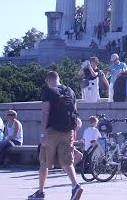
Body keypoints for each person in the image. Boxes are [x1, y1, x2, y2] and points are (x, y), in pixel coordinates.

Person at [28, 70, 84, 200]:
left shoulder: (49, 91)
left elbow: (45, 112)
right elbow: (75, 111)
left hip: (52, 131)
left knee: (44, 162)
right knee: (67, 162)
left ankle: (40, 192)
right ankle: (75, 186)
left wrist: (42, 133)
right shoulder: (70, 91)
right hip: (68, 130)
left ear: (48, 80)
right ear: (59, 79)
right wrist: (74, 131)